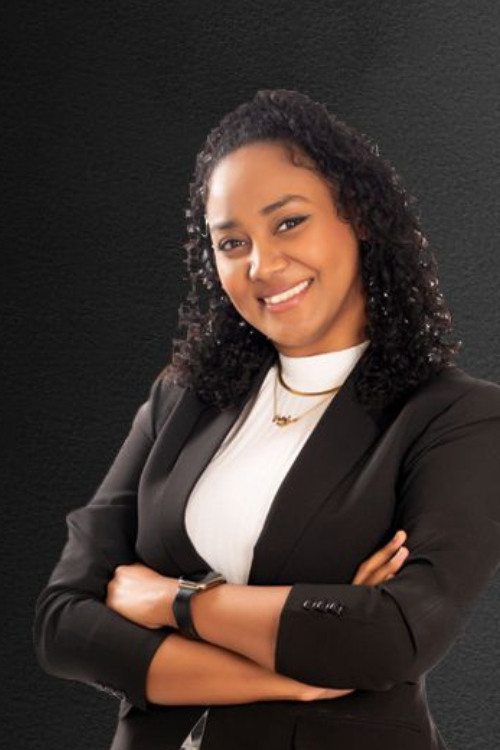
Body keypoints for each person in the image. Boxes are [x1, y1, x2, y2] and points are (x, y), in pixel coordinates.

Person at [33, 89, 500, 750]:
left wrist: (171, 601)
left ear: (359, 217)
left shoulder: (456, 419)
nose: (262, 265)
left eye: (288, 223)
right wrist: (291, 671)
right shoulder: (181, 401)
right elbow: (62, 623)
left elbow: (393, 636)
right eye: (232, 242)